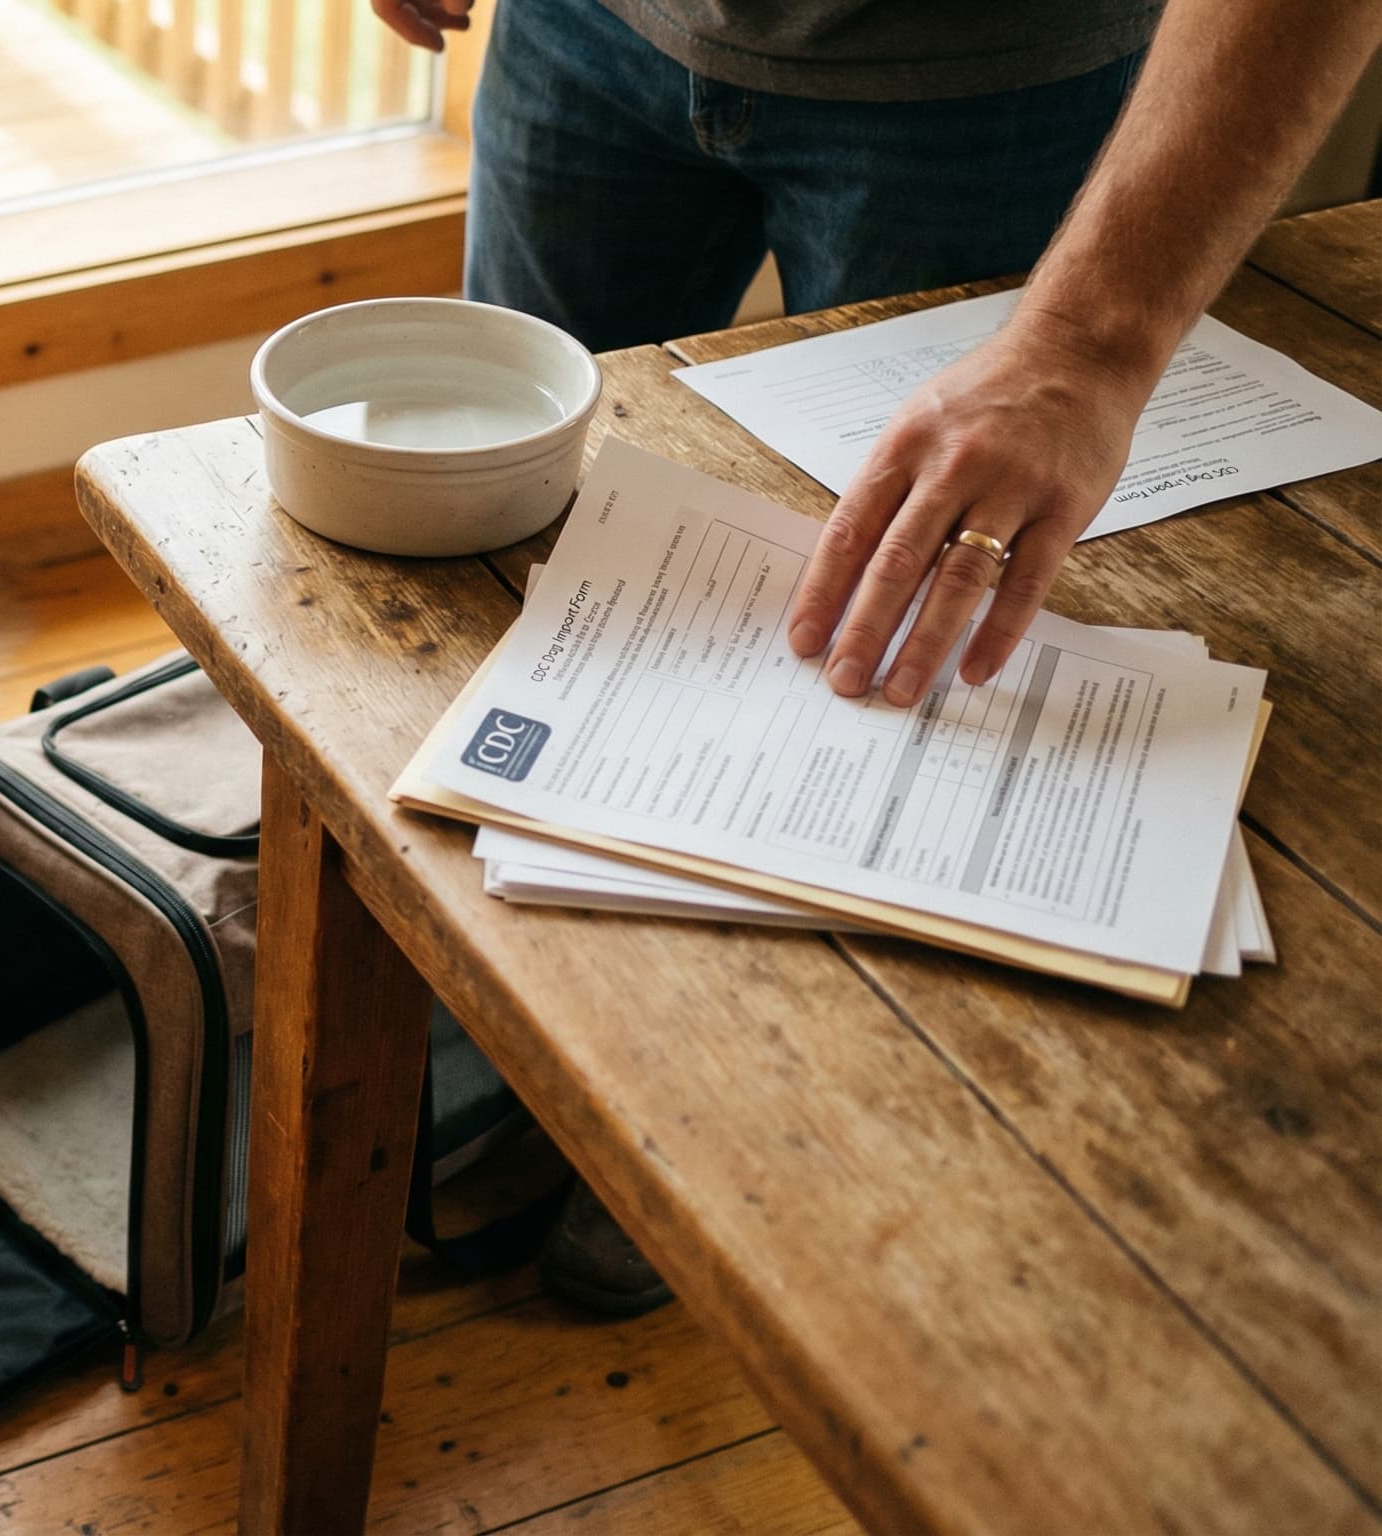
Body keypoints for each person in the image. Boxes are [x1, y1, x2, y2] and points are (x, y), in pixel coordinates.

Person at [372, 0, 1382, 1314]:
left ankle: (704, 1115)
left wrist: (1088, 345)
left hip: (985, 87)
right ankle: (496, 1052)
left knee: (899, 661)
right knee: (508, 578)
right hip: (589, 30)